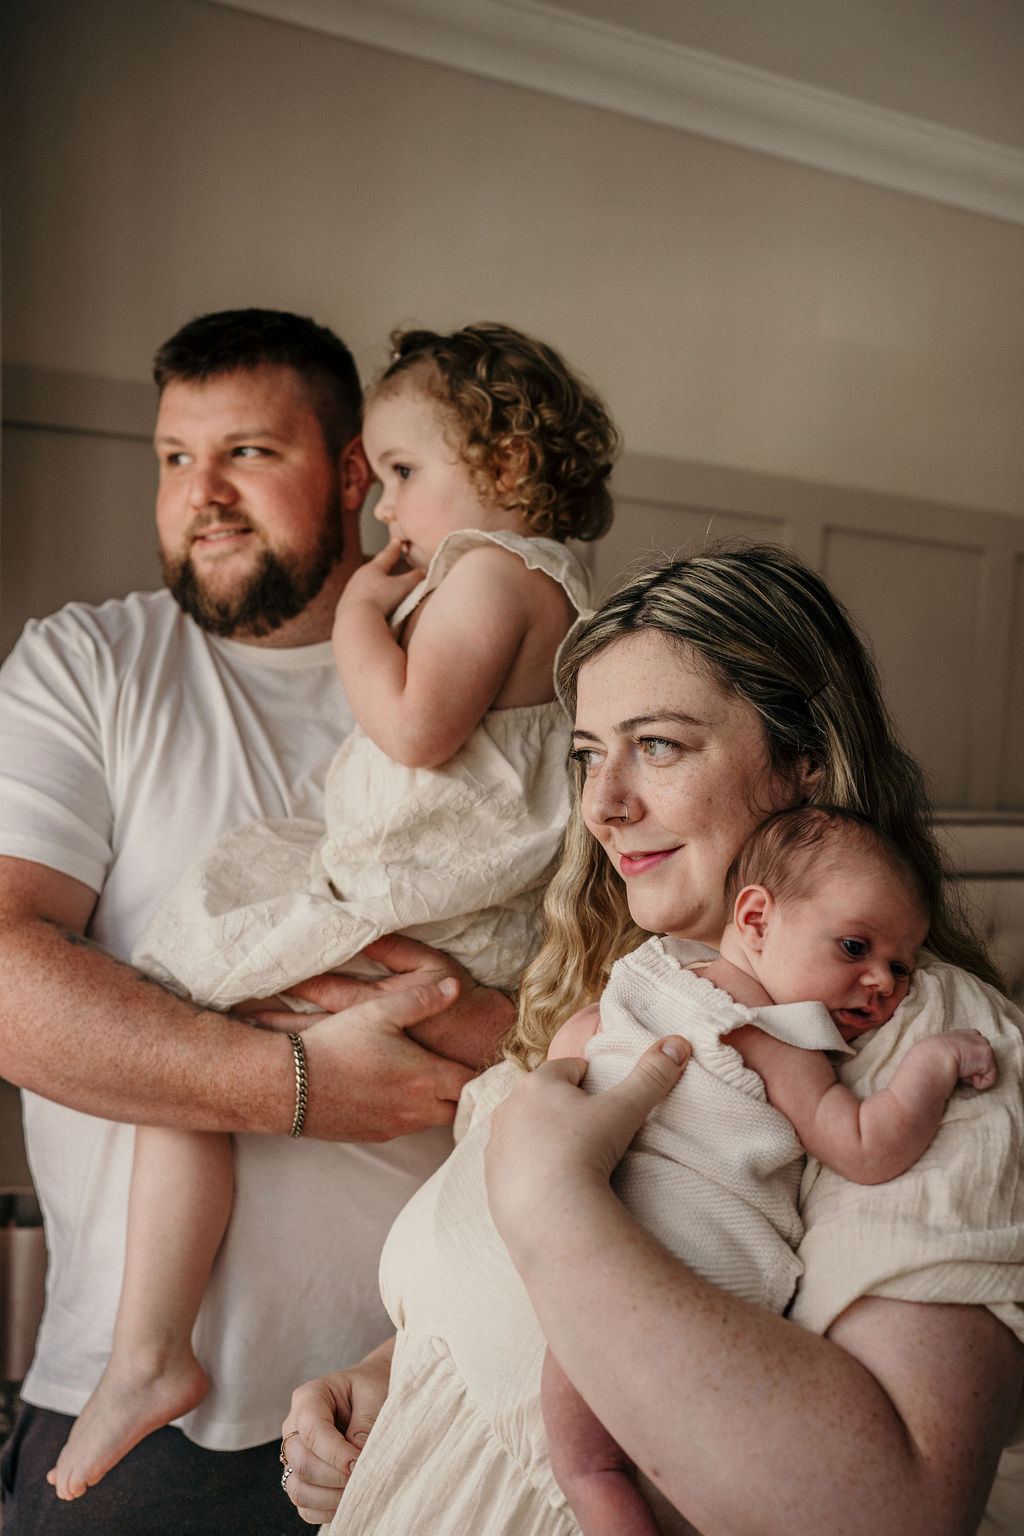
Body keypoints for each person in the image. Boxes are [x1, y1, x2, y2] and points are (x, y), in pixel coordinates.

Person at [280, 548, 1024, 1536]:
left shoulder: (916, 1038)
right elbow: (520, 1314)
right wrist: (388, 1384)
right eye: (589, 754)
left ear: (804, 760)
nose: (603, 804)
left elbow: (899, 1511)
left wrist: (552, 1200)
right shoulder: (636, 990)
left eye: (659, 746)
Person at [46, 321, 617, 1502]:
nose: (201, 490)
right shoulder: (88, 662)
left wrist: (361, 611)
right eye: (173, 457)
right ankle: (148, 1352)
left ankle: (150, 1350)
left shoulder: (486, 576)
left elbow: (409, 727)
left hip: (419, 896)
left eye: (248, 450)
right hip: (439, 898)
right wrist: (292, 1082)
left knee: (182, 990)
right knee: (193, 1030)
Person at [541, 804, 997, 1536]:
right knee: (605, 1467)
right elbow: (864, 1142)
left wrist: (929, 1064)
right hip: (673, 1264)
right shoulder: (767, 1028)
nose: (882, 981)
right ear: (755, 919)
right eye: (855, 946)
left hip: (660, 1266)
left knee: (589, 1468)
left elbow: (861, 1147)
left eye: (901, 965)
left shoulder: (674, 986)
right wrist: (932, 1069)